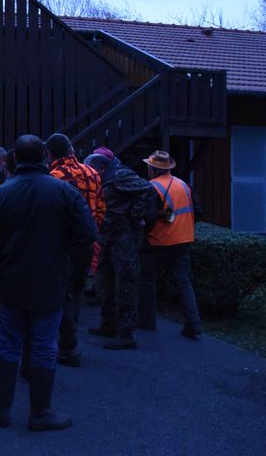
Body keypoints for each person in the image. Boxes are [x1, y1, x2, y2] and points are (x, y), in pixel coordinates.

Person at [0, 135, 96, 431]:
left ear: (14, 157)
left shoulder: (1, 193)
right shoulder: (64, 193)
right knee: (43, 345)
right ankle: (40, 412)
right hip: (50, 281)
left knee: (8, 344)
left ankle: (2, 408)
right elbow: (87, 236)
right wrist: (72, 271)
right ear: (44, 156)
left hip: (11, 282)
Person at [45, 133, 105, 367]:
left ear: (50, 154)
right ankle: (71, 336)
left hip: (63, 243)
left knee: (62, 293)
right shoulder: (93, 173)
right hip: (86, 242)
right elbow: (101, 210)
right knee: (77, 290)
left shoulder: (54, 177)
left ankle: (66, 344)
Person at [84, 151, 154, 350]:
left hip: (125, 237)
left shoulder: (120, 175)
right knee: (104, 278)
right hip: (110, 236)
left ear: (102, 168)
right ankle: (108, 324)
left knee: (125, 283)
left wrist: (136, 215)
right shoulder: (105, 178)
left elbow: (147, 190)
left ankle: (126, 333)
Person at [138, 150, 203, 340]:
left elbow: (148, 217)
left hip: (157, 241)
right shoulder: (185, 185)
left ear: (152, 168)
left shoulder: (151, 187)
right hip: (183, 240)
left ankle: (147, 321)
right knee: (183, 281)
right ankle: (193, 323)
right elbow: (198, 212)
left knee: (148, 280)